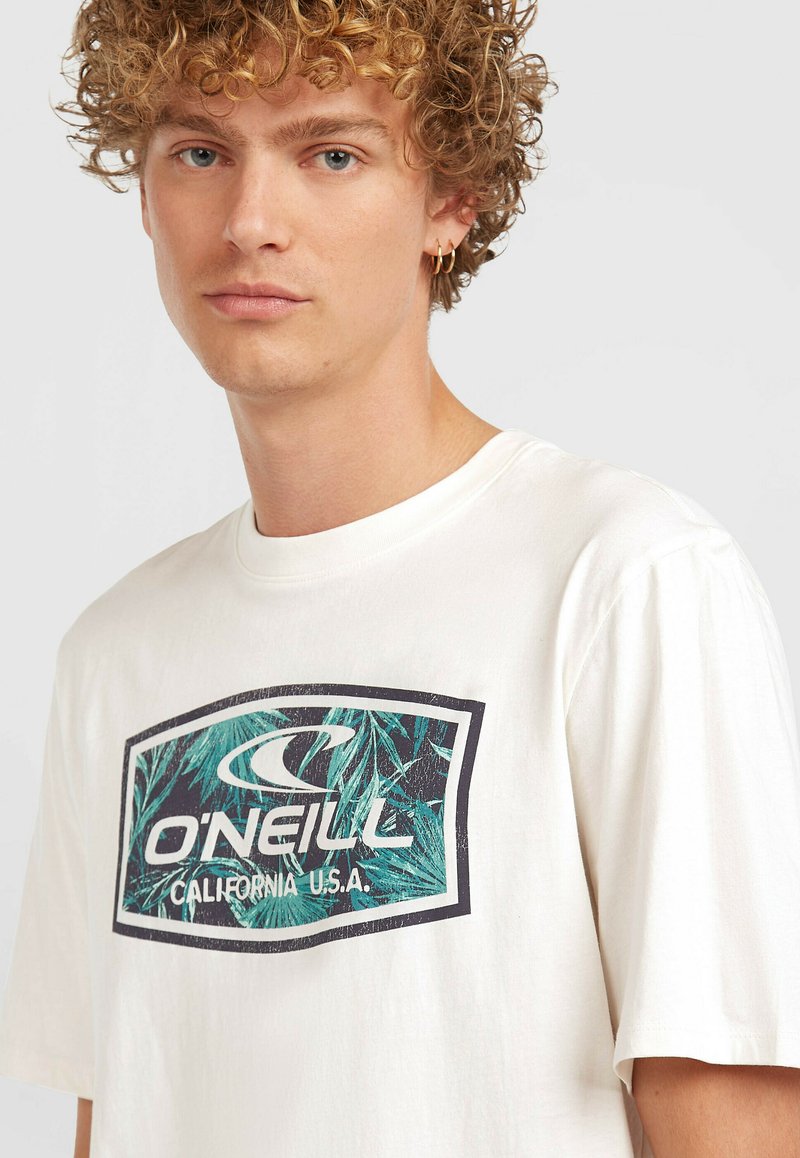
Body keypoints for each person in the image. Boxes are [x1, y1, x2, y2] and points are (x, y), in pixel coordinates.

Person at [1, 1, 799, 1155]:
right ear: (144, 190)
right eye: (200, 153)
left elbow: (732, 1122)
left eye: (330, 155)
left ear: (449, 201)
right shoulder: (116, 653)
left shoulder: (622, 581)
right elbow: (121, 1107)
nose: (250, 221)